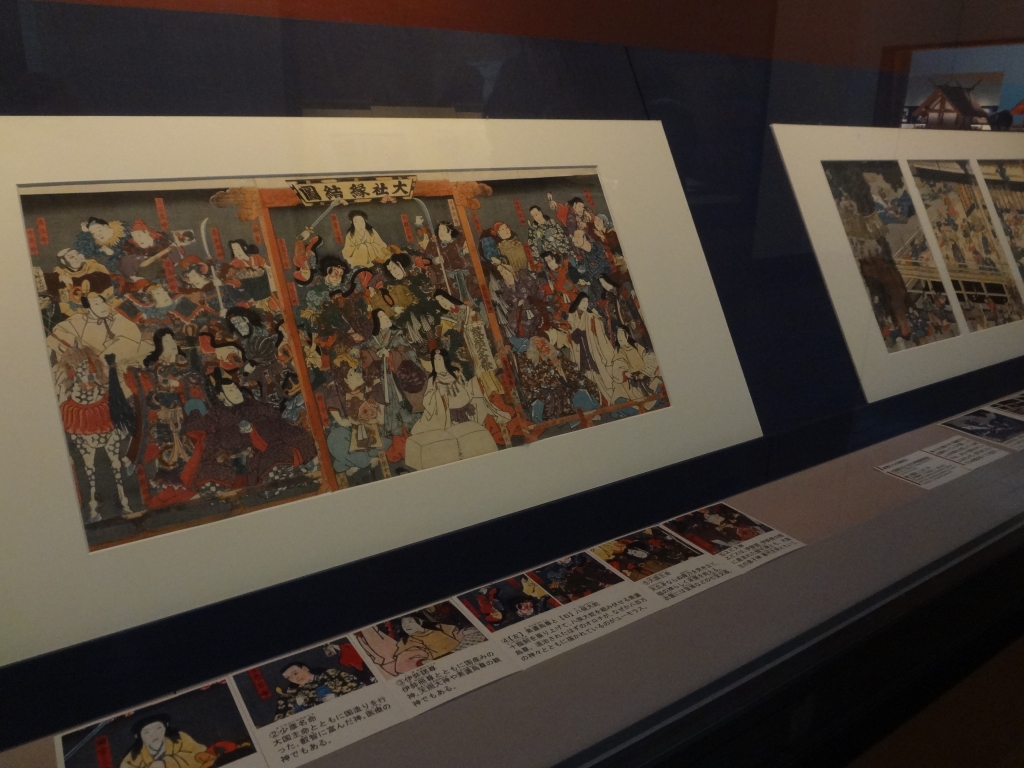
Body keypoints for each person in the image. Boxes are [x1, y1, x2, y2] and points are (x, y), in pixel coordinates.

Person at [412, 348, 508, 437]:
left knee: (479, 408)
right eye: (434, 359)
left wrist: (474, 382)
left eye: (439, 359)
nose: (437, 362)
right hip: (450, 413)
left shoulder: (456, 372)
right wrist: (438, 394)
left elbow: (465, 386)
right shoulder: (433, 379)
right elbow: (427, 399)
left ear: (445, 360)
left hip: (466, 407)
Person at [565, 294, 616, 403]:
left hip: (592, 349)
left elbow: (600, 334)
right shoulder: (571, 317)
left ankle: (609, 400)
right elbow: (570, 337)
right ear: (578, 302)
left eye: (587, 301)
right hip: (580, 352)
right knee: (585, 379)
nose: (586, 304)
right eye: (583, 301)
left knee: (600, 377)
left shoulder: (590, 317)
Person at [273, 662, 363, 720]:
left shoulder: (331, 675)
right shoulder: (290, 694)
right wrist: (297, 705)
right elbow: (281, 719)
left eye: (295, 673)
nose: (294, 678)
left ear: (305, 668)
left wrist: (337, 696)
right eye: (289, 677)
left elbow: (358, 686)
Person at [119, 714, 207, 768]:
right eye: (147, 732)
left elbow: (202, 753)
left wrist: (165, 763)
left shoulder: (179, 738)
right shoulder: (136, 754)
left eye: (158, 728)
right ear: (138, 736)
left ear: (166, 726)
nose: (154, 735)